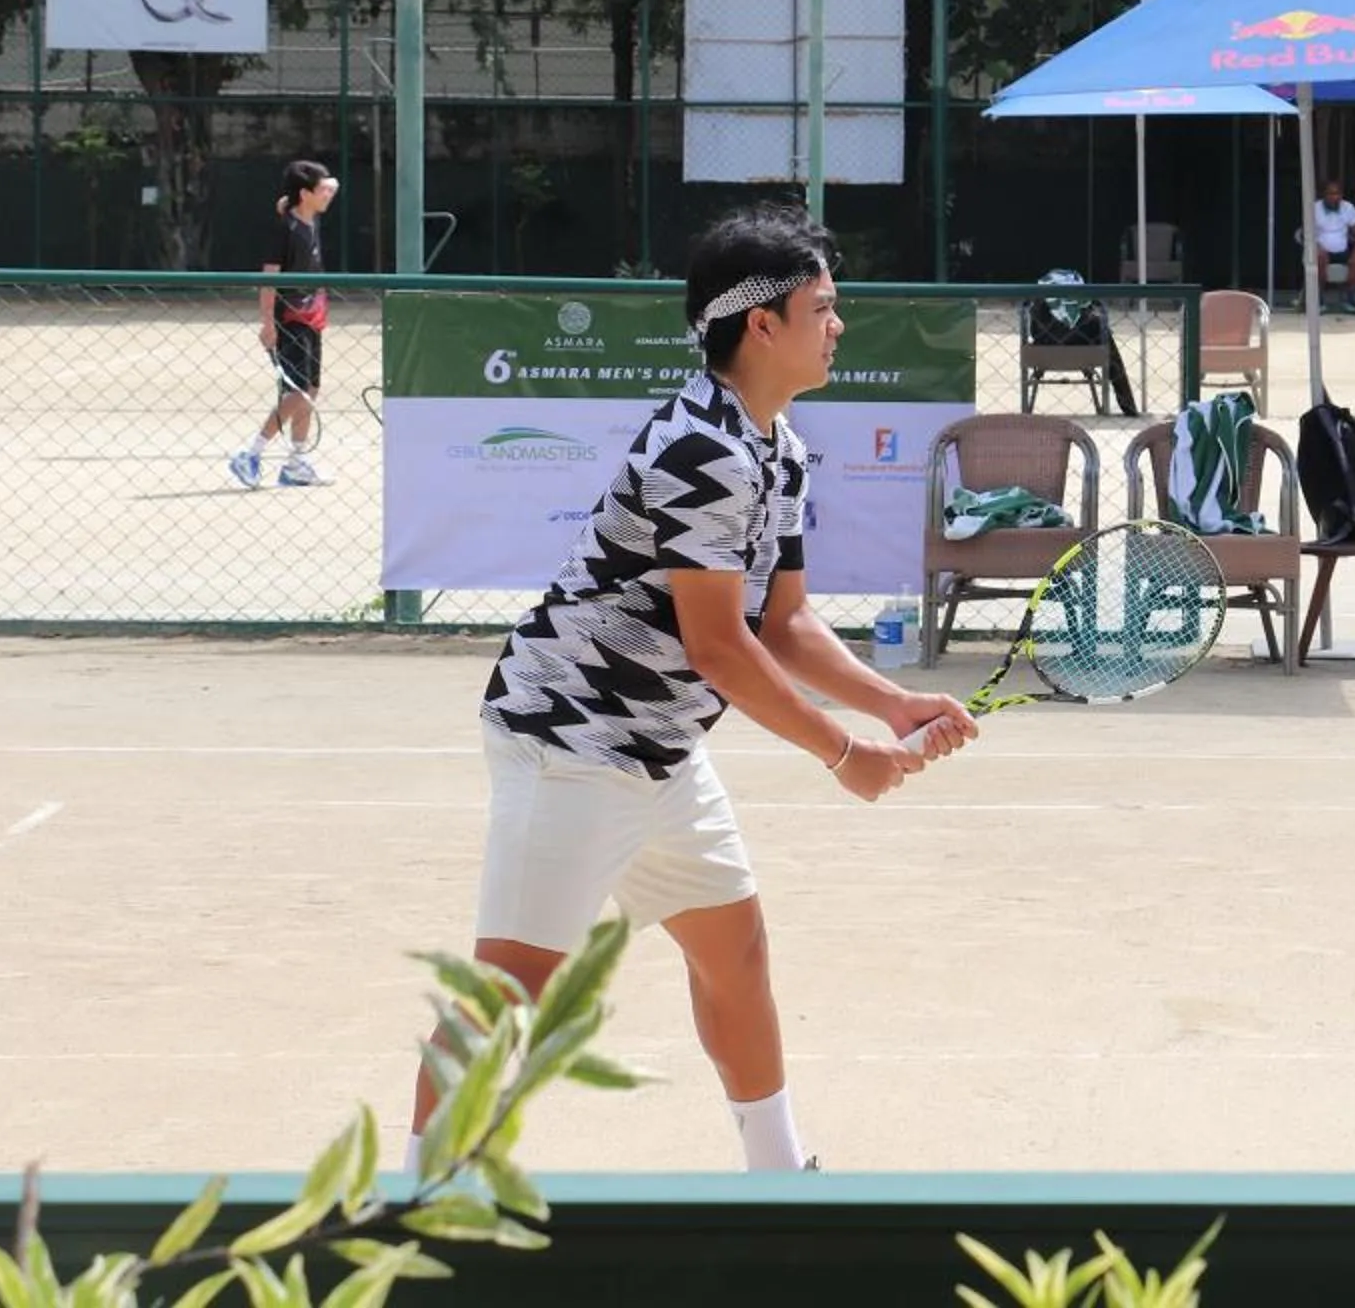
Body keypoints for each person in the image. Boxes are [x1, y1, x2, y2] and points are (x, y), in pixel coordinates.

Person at [410, 203, 974, 1176]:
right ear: (763, 323)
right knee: (508, 988)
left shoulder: (779, 446)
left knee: (736, 952)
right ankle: (414, 1201)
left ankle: (779, 1173)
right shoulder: (701, 449)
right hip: (572, 736)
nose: (840, 324)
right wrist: (845, 754)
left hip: (659, 748)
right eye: (824, 306)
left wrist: (890, 704)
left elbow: (782, 622)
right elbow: (719, 646)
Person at [230, 160, 338, 489]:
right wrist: (268, 325)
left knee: (311, 389)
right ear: (305, 194)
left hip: (313, 315)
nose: (329, 194)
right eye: (322, 190)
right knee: (297, 391)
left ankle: (296, 463)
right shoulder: (283, 230)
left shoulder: (310, 216)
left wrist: (293, 198)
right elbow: (269, 280)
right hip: (289, 318)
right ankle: (250, 454)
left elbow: (334, 183)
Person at [1310, 177, 1355, 310]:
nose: (1334, 197)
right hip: (1321, 250)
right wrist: (1316, 246)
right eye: (1331, 193)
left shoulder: (1348, 207)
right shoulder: (1314, 208)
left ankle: (1350, 298)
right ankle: (1319, 299)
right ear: (1324, 195)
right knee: (1319, 257)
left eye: (1337, 194)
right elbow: (1308, 232)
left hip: (1343, 251)